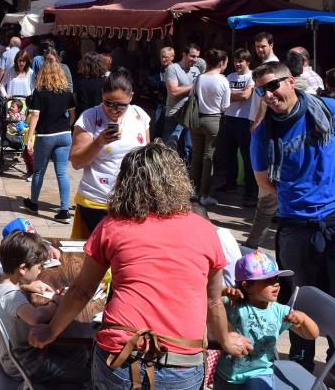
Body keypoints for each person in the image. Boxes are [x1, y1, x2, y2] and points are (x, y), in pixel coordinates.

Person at [29, 141, 252, 389]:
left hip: (120, 356)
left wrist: (51, 332)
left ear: (126, 182)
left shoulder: (113, 226)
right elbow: (212, 301)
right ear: (178, 180)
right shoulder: (205, 230)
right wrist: (225, 340)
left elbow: (82, 291)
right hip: (181, 362)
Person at [249, 61, 335, 371]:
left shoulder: (327, 108)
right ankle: (300, 361)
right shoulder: (263, 133)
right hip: (295, 220)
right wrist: (296, 193)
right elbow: (263, 182)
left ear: (291, 81)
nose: (268, 95)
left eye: (273, 86)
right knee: (298, 297)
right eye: (261, 90)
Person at [0, 231, 89, 385]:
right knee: (87, 375)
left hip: (17, 355)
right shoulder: (11, 297)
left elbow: (6, 295)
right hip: (27, 364)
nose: (41, 271)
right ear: (23, 268)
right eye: (39, 267)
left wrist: (26, 285)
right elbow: (36, 318)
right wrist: (55, 302)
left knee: (80, 353)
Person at [215, 251, 319, 390]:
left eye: (276, 279)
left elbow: (312, 335)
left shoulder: (281, 312)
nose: (276, 284)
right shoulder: (234, 303)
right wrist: (223, 292)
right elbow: (205, 300)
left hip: (260, 374)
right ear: (247, 286)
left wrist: (303, 319)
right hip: (226, 375)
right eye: (268, 280)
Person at [69, 68, 149, 238]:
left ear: (131, 97)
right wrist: (99, 143)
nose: (114, 109)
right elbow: (76, 162)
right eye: (109, 103)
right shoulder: (89, 118)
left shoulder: (139, 115)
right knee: (102, 259)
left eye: (121, 105)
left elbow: (146, 156)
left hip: (132, 201)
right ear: (101, 95)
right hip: (98, 201)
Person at [23, 60, 76, 222]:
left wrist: (30, 138)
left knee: (39, 171)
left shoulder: (39, 91)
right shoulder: (67, 92)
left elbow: (35, 115)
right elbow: (73, 113)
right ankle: (64, 210)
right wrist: (68, 126)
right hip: (65, 134)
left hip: (46, 135)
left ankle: (33, 202)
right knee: (62, 172)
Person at [213, 48, 258, 207]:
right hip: (228, 118)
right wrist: (236, 95)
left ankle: (250, 190)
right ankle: (230, 182)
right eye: (236, 60)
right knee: (229, 153)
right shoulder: (230, 76)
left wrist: (228, 94)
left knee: (247, 156)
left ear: (248, 62)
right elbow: (222, 94)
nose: (238, 63)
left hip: (244, 120)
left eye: (241, 61)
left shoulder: (252, 76)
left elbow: (246, 96)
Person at [190, 49, 230, 206]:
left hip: (196, 120)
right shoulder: (222, 81)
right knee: (209, 158)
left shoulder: (199, 78)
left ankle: (193, 191)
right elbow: (225, 106)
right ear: (221, 63)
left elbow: (192, 95)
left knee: (196, 157)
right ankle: (205, 195)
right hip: (214, 120)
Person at [163, 43, 201, 159]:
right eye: (192, 56)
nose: (195, 60)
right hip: (175, 114)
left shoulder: (196, 70)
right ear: (184, 54)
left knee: (188, 148)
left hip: (190, 115)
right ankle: (168, 175)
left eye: (197, 57)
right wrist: (194, 86)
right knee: (170, 148)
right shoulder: (173, 68)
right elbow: (173, 92)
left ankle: (186, 175)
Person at [75, 52, 107, 116]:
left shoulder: (81, 83)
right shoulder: (107, 81)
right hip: (103, 116)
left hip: (87, 117)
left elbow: (82, 105)